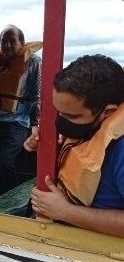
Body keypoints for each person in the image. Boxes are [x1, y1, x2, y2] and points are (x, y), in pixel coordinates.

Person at [26, 55, 124, 237]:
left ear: (108, 111)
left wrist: (66, 212)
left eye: (71, 117)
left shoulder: (121, 149)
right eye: (59, 112)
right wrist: (47, 148)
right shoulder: (89, 127)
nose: (61, 122)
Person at [0, 25, 42, 202]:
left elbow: (36, 96)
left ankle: (13, 201)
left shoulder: (33, 62)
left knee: (4, 161)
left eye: (11, 41)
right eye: (3, 41)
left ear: (21, 43)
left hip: (17, 123)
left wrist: (34, 124)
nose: (7, 45)